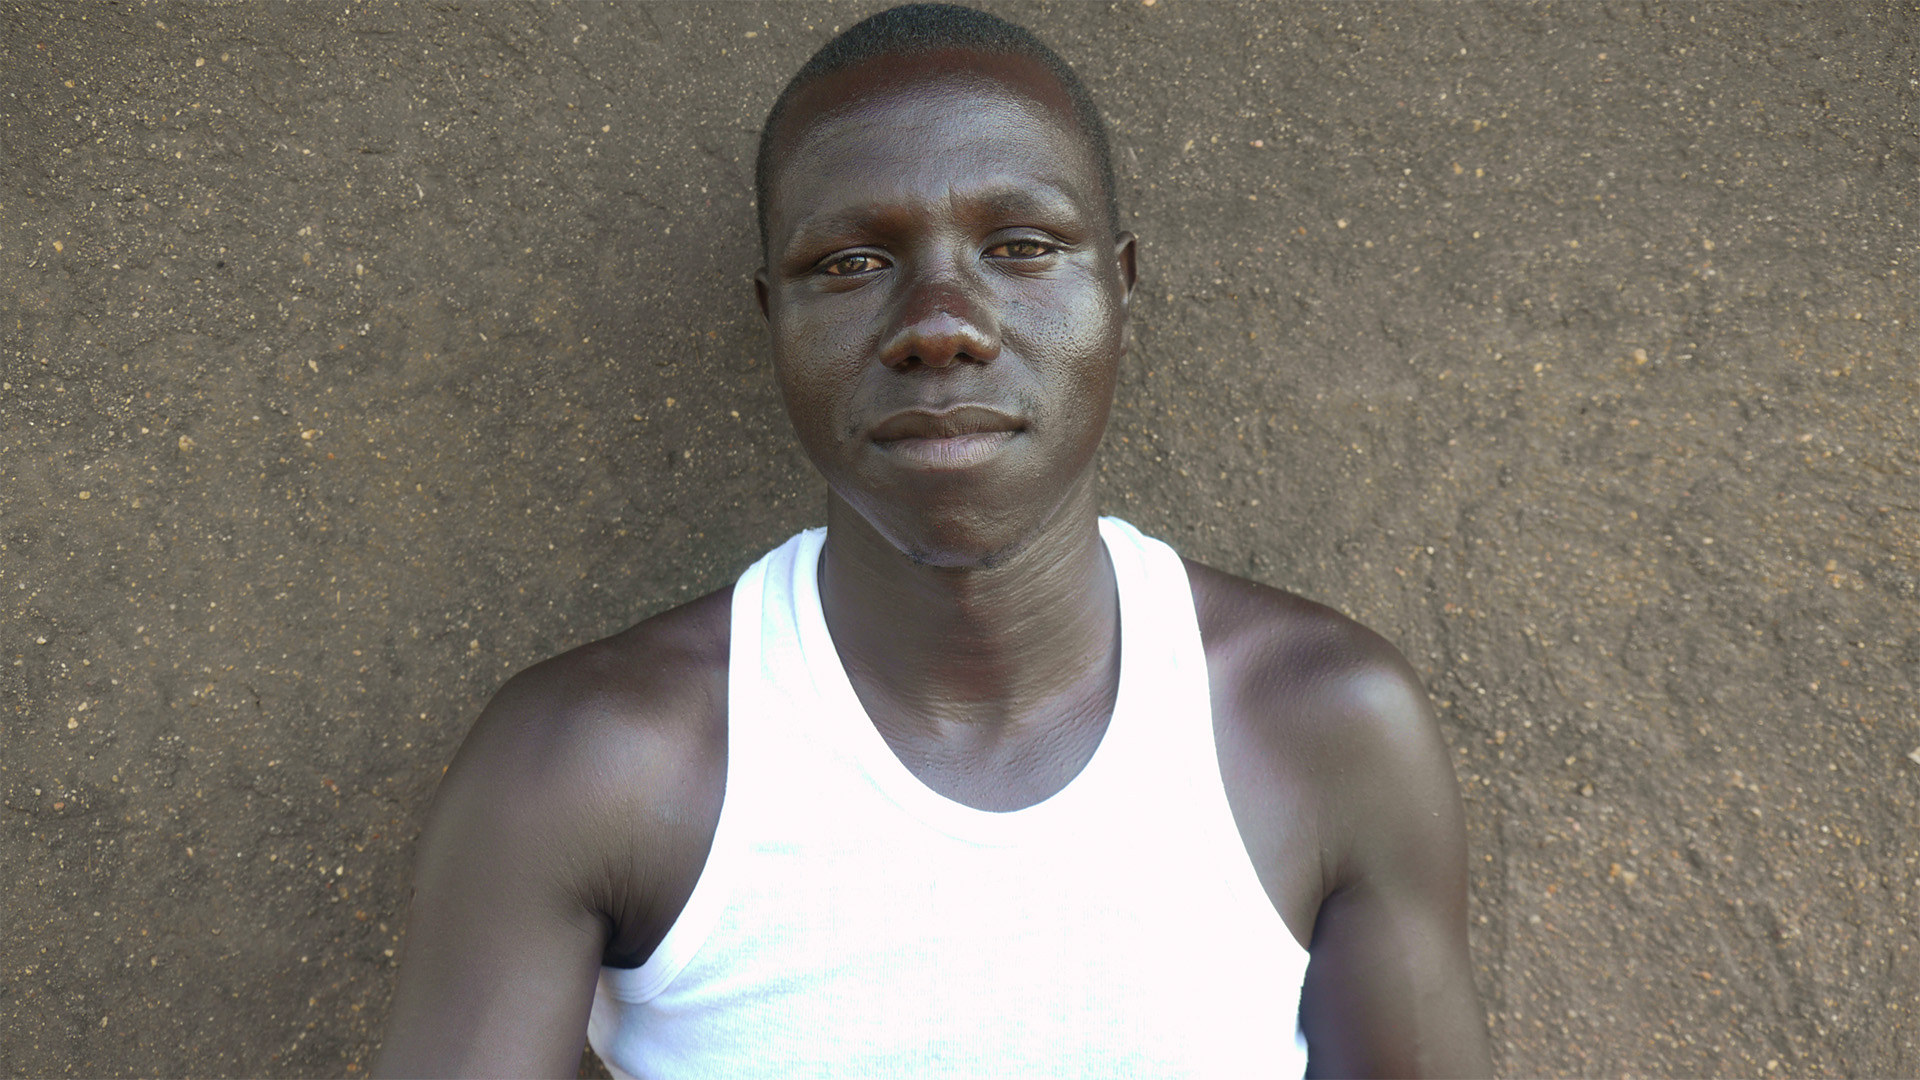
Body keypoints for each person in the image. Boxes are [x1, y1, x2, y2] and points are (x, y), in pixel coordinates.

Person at [375, 5, 1491, 1077]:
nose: (941, 325)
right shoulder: (590, 764)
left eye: (1019, 245)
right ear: (774, 317)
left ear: (1120, 288)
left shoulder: (1326, 730)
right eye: (854, 265)